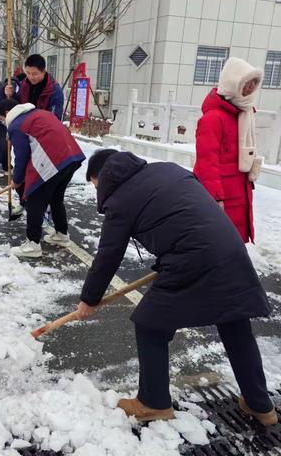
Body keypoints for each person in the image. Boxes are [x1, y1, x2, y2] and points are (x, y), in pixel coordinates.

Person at [77, 149, 277, 426]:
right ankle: (260, 405)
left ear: (101, 176)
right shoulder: (169, 169)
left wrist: (89, 298)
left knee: (150, 323)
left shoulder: (120, 199)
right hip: (230, 249)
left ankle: (153, 402)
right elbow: (184, 216)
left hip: (193, 257)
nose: (98, 192)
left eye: (95, 185)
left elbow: (108, 254)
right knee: (234, 321)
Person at [0, 99, 85, 258]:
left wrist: (17, 180)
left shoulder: (17, 125)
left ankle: (33, 244)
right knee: (55, 198)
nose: (3, 123)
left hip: (53, 162)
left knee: (34, 199)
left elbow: (22, 157)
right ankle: (62, 235)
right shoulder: (39, 113)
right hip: (71, 157)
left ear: (6, 114)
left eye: (2, 119)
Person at [194, 57, 264, 243]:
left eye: (253, 84)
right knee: (218, 244)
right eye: (246, 83)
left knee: (232, 245)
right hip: (222, 196)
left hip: (240, 193)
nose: (249, 89)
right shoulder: (213, 119)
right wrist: (215, 198)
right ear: (232, 83)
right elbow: (206, 162)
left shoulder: (245, 114)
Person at [0, 70, 26, 177]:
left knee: (6, 144)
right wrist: (9, 92)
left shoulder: (14, 85)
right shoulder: (12, 84)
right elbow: (10, 95)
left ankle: (7, 167)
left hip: (3, 117)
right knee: (0, 144)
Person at [7, 54, 64, 120]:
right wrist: (11, 95)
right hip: (23, 125)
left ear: (43, 72)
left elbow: (55, 119)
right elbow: (17, 105)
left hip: (42, 127)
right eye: (28, 73)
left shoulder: (54, 91)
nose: (31, 77)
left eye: (35, 74)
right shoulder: (24, 84)